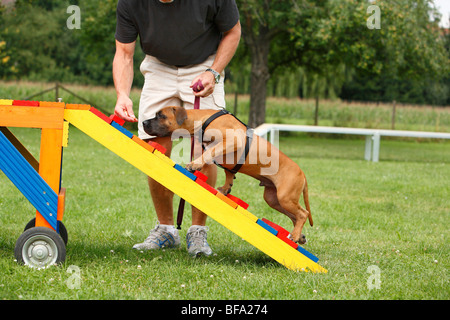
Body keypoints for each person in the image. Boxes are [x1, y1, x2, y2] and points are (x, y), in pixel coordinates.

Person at [113, 0, 241, 256]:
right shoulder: (130, 2)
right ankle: (166, 230)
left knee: (206, 146)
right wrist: (122, 95)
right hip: (159, 67)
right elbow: (125, 54)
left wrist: (214, 73)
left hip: (203, 65)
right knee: (153, 147)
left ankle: (198, 232)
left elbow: (232, 32)